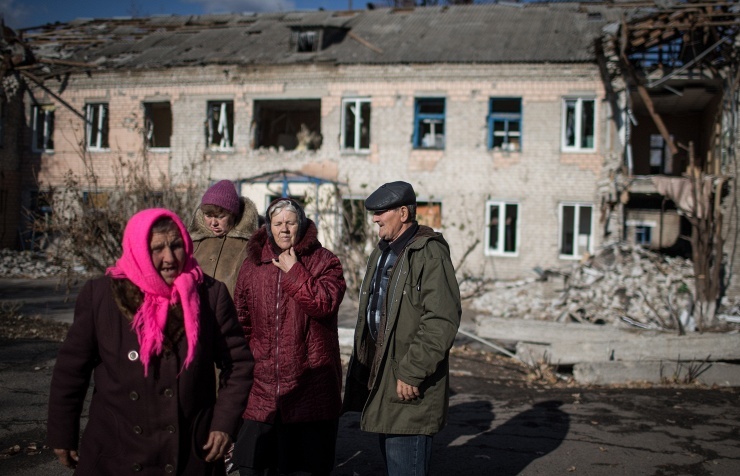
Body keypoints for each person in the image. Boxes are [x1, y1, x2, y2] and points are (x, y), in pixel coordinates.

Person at [47, 208, 255, 476]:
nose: (169, 258)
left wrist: (223, 423)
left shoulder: (209, 294)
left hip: (191, 450)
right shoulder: (102, 296)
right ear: (137, 250)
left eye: (176, 245)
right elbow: (71, 370)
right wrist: (62, 432)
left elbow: (238, 364)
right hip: (117, 449)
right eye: (157, 249)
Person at [342, 181, 462, 476]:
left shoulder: (429, 253)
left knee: (405, 462)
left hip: (408, 379)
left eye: (381, 212)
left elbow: (441, 319)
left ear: (404, 213)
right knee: (392, 458)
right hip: (384, 374)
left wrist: (412, 371)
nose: (375, 219)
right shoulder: (382, 252)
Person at [232, 198, 346, 476]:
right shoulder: (252, 265)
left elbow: (324, 304)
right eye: (278, 223)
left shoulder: (324, 261)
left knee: (303, 469)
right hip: (262, 389)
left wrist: (294, 271)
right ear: (268, 227)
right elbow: (241, 323)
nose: (284, 229)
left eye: (290, 223)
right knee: (252, 466)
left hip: (311, 388)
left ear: (301, 225)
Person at [189, 180, 261, 298]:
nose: (213, 223)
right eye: (208, 216)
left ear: (233, 215)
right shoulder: (193, 243)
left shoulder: (250, 245)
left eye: (220, 217)